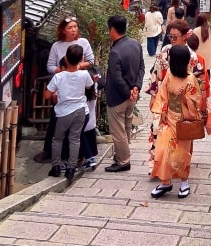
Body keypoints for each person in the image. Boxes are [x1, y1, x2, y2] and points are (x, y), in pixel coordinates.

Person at [35, 17, 95, 163]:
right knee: (60, 124)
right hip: (63, 84)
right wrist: (62, 70)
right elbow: (50, 66)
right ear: (62, 29)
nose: (73, 30)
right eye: (70, 27)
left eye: (75, 26)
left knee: (77, 128)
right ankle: (61, 156)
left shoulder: (83, 42)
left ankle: (79, 157)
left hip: (77, 86)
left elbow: (91, 61)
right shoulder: (56, 46)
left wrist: (77, 67)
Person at [150, 45, 203, 199]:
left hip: (183, 120)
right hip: (169, 118)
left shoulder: (190, 79)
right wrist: (164, 111)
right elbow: (163, 94)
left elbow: (195, 102)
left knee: (182, 153)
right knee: (164, 150)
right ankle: (165, 182)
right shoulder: (169, 75)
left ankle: (184, 182)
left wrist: (182, 96)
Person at [45, 43, 94, 181]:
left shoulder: (58, 77)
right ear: (80, 60)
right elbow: (89, 85)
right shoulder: (84, 74)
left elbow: (47, 95)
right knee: (75, 138)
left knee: (57, 139)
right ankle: (71, 169)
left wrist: (56, 92)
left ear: (65, 59)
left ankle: (55, 167)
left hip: (63, 112)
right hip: (80, 111)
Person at [104, 14, 145, 173]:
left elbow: (116, 77)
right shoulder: (135, 44)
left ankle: (123, 161)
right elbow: (141, 68)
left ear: (112, 30)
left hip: (119, 97)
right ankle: (122, 155)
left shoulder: (115, 51)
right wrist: (136, 87)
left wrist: (127, 91)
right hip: (132, 95)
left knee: (118, 131)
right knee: (126, 127)